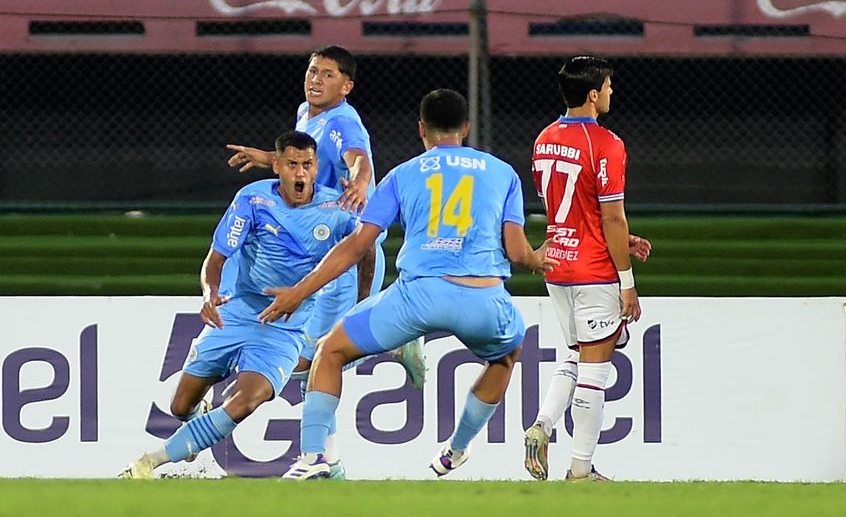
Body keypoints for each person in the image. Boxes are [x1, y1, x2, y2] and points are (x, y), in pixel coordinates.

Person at [260, 89, 554, 479]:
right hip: (482, 298)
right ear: (465, 128)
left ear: (421, 130)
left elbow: (357, 245)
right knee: (505, 356)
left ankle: (314, 458)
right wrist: (539, 259)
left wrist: (299, 292)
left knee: (329, 353)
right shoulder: (502, 172)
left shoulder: (404, 173)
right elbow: (518, 253)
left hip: (417, 297)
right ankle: (457, 449)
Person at [225, 45, 426, 478]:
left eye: (328, 74)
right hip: (323, 253)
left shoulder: (342, 120)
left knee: (313, 358)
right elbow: (313, 165)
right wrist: (270, 160)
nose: (316, 79)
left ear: (346, 85)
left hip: (346, 254)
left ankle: (393, 337)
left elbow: (358, 157)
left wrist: (359, 180)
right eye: (313, 70)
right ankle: (326, 458)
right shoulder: (307, 113)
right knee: (316, 360)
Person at [119, 131, 369, 479]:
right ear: (277, 166)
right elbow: (216, 258)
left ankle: (149, 462)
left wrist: (362, 301)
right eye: (292, 165)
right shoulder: (252, 200)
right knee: (180, 406)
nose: (300, 174)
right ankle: (195, 425)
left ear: (316, 169)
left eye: (307, 165)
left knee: (244, 401)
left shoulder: (336, 209)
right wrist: (209, 294)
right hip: (235, 314)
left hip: (286, 328)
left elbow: (366, 248)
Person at [522, 56, 652, 483]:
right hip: (594, 269)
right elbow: (612, 217)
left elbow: (565, 208)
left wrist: (613, 238)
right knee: (597, 370)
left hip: (557, 263)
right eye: (609, 87)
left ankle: (542, 425)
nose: (612, 93)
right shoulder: (607, 144)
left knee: (577, 354)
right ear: (594, 94)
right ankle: (580, 470)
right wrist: (627, 283)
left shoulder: (544, 138)